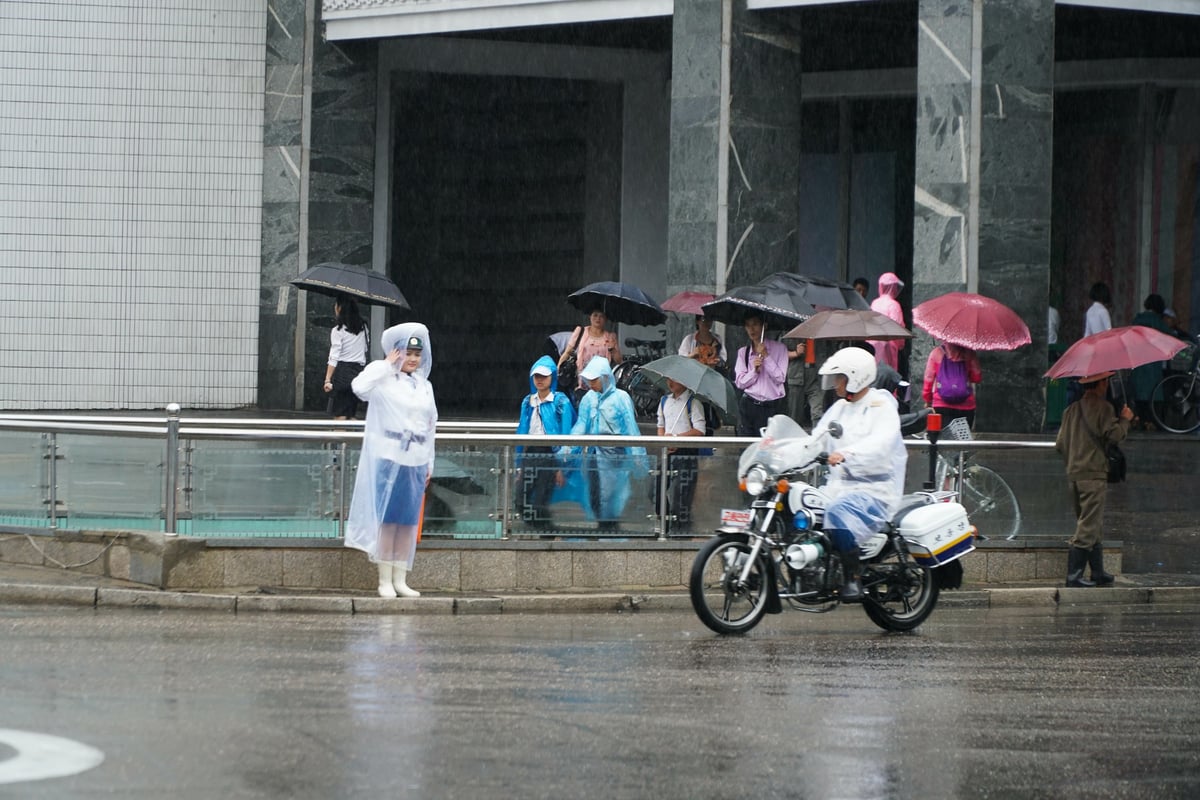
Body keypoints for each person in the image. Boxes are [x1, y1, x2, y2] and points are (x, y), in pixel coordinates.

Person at [344, 323, 436, 598]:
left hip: (416, 458)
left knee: (407, 523)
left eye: (417, 354)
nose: (413, 359)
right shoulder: (383, 379)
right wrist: (385, 365)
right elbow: (358, 387)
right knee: (388, 520)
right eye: (407, 353)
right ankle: (384, 579)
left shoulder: (424, 385)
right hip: (389, 455)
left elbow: (431, 425)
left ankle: (400, 578)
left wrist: (429, 462)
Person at [812, 347, 907, 601]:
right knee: (804, 511)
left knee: (837, 513)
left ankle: (852, 577)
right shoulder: (840, 408)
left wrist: (848, 454)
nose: (835, 385)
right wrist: (789, 450)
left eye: (839, 378)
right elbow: (817, 437)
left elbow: (881, 443)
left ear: (856, 377)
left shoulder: (881, 406)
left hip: (873, 491)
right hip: (838, 486)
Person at [1055, 371, 1133, 587]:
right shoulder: (1104, 408)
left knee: (1092, 522)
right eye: (1105, 381)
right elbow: (1115, 436)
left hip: (1074, 474)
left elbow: (1060, 443)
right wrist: (1125, 420)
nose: (1107, 385)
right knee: (1088, 525)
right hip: (1094, 474)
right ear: (1101, 384)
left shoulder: (1070, 410)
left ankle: (1098, 572)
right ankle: (1074, 576)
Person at [570, 356, 645, 530]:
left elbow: (630, 428)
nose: (590, 384)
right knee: (594, 491)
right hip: (594, 453)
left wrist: (638, 457)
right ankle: (601, 524)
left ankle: (611, 526)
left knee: (614, 493)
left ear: (605, 377)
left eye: (594, 380)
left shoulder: (621, 398)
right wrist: (567, 448)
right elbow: (582, 424)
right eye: (588, 380)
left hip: (616, 455)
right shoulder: (589, 398)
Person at [515, 356, 576, 529]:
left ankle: (547, 534)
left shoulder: (560, 401)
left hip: (551, 455)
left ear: (553, 377)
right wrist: (519, 463)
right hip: (530, 453)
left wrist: (561, 467)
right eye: (536, 376)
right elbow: (521, 430)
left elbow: (566, 434)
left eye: (544, 376)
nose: (539, 380)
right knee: (520, 499)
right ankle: (547, 530)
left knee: (542, 500)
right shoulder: (528, 402)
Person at [653, 377, 706, 533]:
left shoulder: (693, 403)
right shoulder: (664, 401)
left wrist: (677, 438)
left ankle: (681, 528)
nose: (670, 383)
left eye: (675, 380)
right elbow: (660, 426)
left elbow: (699, 430)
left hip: (686, 453)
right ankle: (665, 522)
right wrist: (664, 440)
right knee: (655, 489)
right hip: (667, 452)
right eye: (669, 379)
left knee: (681, 494)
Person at [733, 313, 788, 436]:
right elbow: (740, 383)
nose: (752, 329)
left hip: (772, 406)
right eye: (748, 325)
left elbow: (780, 378)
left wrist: (767, 357)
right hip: (749, 405)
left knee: (769, 448)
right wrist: (754, 371)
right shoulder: (744, 352)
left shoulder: (780, 349)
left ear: (764, 326)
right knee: (746, 446)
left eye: (755, 324)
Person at [559, 307, 622, 406]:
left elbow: (619, 361)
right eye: (595, 315)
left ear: (606, 319)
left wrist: (613, 349)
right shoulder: (581, 332)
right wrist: (558, 368)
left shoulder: (610, 337)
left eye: (601, 316)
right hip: (581, 382)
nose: (598, 319)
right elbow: (567, 352)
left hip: (601, 383)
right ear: (590, 317)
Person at [322, 296, 368, 420]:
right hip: (358, 372)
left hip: (343, 372)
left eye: (336, 305)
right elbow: (365, 349)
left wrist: (327, 379)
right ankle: (355, 437)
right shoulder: (363, 327)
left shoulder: (338, 330)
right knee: (351, 411)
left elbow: (334, 355)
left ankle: (339, 439)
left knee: (340, 413)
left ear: (340, 308)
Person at [1130, 293, 1171, 430]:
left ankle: (1140, 422)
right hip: (1152, 366)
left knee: (1139, 398)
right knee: (1153, 397)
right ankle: (1151, 424)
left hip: (1138, 365)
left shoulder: (1137, 319)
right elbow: (1170, 336)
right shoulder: (1157, 322)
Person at [921, 341, 982, 430]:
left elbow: (928, 379)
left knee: (944, 439)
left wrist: (928, 400)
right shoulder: (970, 353)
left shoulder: (936, 353)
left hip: (941, 404)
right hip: (966, 405)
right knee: (962, 439)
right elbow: (977, 378)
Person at [867, 272, 906, 372]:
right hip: (888, 346)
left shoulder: (874, 303)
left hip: (872, 344)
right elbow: (897, 328)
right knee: (887, 376)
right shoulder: (894, 305)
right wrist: (901, 343)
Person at [783, 336, 823, 429]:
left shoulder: (822, 329)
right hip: (797, 374)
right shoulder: (793, 331)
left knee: (817, 412)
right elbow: (779, 355)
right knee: (795, 415)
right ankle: (794, 440)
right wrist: (796, 353)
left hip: (817, 374)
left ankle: (817, 438)